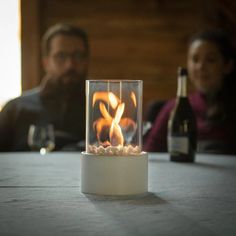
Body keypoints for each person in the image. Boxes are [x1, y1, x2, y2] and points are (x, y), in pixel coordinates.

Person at [144, 29, 236, 154]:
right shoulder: (173, 108)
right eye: (195, 59)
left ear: (228, 65)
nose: (200, 67)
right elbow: (151, 152)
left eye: (210, 60)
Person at [0, 23, 89, 151]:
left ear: (86, 60)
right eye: (61, 56)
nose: (70, 65)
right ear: (46, 62)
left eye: (78, 56)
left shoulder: (102, 112)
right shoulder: (15, 110)